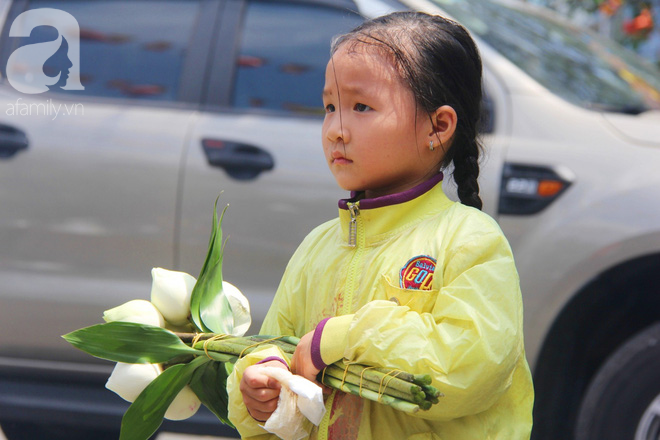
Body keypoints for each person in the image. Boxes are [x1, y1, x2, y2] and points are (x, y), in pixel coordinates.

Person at [227, 11, 534, 439]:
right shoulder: (318, 246)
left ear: (438, 126)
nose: (336, 129)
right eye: (330, 107)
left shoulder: (471, 242)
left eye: (361, 107)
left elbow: (468, 370)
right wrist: (262, 384)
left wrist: (342, 337)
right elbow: (278, 345)